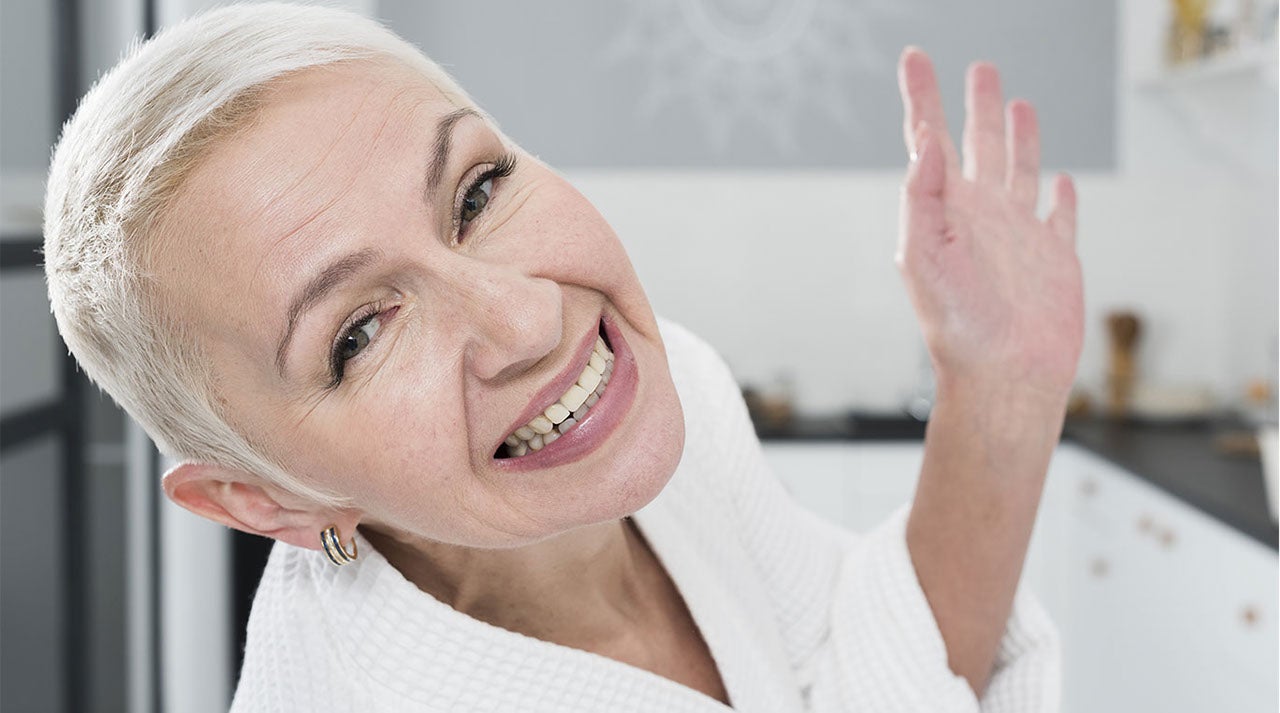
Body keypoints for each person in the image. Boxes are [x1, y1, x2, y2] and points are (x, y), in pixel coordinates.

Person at [43, 3, 1083, 711]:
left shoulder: (672, 401)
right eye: (359, 334)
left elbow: (856, 670)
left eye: (475, 192)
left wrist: (1001, 382)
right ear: (264, 499)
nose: (527, 321)